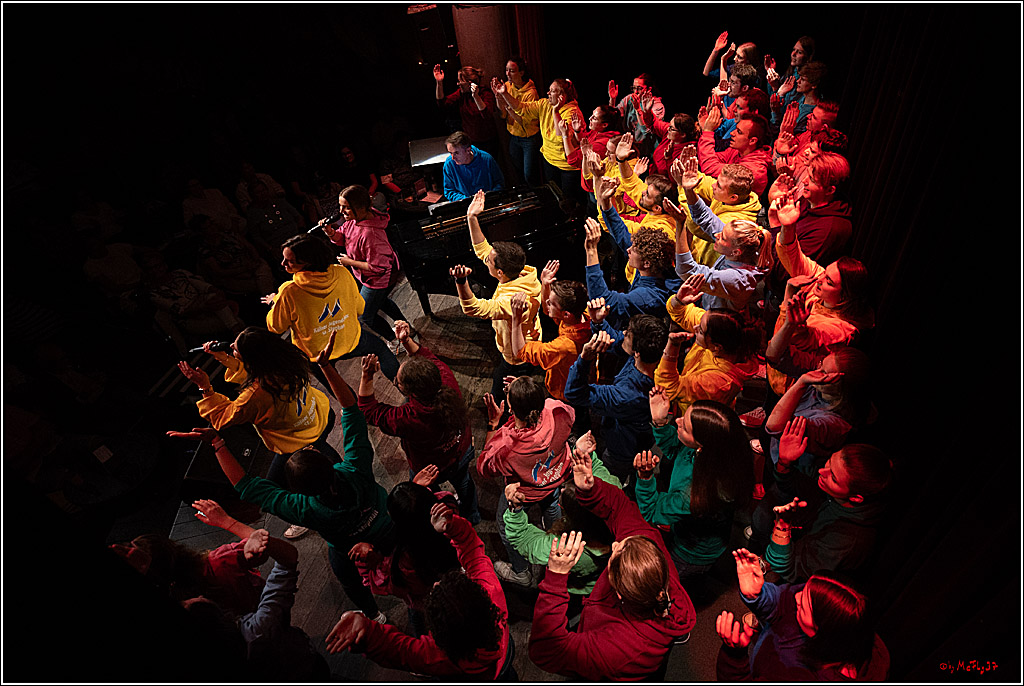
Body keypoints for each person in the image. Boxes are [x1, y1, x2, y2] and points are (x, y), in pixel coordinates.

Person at [168, 331, 396, 621]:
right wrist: (325, 366)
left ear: (300, 493)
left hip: (296, 440)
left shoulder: (306, 511)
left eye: (237, 347)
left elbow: (240, 465)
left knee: (346, 574)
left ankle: (373, 615)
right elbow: (351, 410)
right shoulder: (291, 361)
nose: (232, 347)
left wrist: (206, 394)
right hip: (317, 422)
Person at [527, 448, 695, 680]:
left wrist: (555, 578)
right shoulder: (647, 547)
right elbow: (621, 507)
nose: (615, 545)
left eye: (615, 554)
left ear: (619, 594)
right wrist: (591, 489)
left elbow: (545, 651)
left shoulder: (618, 648)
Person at [325, 500, 517, 680]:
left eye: (436, 590)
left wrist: (368, 633)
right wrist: (454, 527)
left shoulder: (440, 658)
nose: (435, 584)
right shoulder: (492, 595)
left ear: (440, 634)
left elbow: (401, 652)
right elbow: (474, 551)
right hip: (504, 664)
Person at [176, 328, 340, 534]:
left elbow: (222, 418)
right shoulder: (287, 358)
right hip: (319, 414)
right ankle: (333, 487)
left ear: (253, 360)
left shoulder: (255, 396)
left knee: (274, 487)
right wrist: (224, 357)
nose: (232, 346)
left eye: (236, 348)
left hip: (301, 437)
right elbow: (252, 372)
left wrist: (205, 388)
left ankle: (316, 511)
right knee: (302, 472)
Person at [356, 320, 480, 524]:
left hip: (429, 467)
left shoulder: (408, 418)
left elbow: (370, 411)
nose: (396, 382)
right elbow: (426, 356)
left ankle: (445, 514)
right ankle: (472, 516)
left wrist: (367, 376)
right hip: (461, 449)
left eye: (398, 382)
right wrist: (406, 341)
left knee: (429, 493)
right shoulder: (444, 378)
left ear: (411, 392)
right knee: (464, 482)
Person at [715, 549, 890, 680]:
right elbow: (783, 600)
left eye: (804, 607)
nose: (796, 597)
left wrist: (734, 656)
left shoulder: (794, 676)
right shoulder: (846, 627)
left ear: (819, 632)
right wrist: (756, 595)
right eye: (803, 590)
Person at [181, 529, 330, 682]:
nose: (195, 597)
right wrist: (229, 523)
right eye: (187, 603)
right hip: (305, 667)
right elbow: (286, 560)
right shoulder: (259, 628)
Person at [635, 394, 753, 586]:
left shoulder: (695, 493)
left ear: (702, 444)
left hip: (689, 555)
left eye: (686, 427)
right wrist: (660, 422)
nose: (678, 420)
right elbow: (676, 449)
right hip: (708, 539)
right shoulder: (724, 450)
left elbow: (651, 512)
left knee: (672, 585)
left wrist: (645, 478)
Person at [763, 421, 894, 583]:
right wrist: (784, 462)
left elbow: (790, 571)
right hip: (791, 548)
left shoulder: (848, 540)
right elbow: (794, 482)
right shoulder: (830, 482)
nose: (821, 472)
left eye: (833, 477)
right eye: (829, 462)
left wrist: (782, 526)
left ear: (855, 498)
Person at [477, 375, 575, 587]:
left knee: (505, 526)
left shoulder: (506, 444)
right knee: (552, 509)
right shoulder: (557, 410)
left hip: (524, 493)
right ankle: (555, 552)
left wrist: (493, 424)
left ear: (511, 409)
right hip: (555, 480)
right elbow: (570, 415)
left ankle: (521, 573)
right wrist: (526, 391)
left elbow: (484, 466)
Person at [264, 233, 399, 382]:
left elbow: (275, 327)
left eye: (290, 261)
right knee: (381, 349)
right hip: (350, 339)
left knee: (335, 383)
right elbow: (360, 308)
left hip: (319, 354)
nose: (283, 264)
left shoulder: (288, 291)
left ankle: (352, 405)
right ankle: (411, 391)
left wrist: (274, 302)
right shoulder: (341, 273)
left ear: (307, 262)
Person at [451, 190, 543, 402]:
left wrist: (461, 281)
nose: (486, 260)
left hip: (517, 356)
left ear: (500, 273)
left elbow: (473, 308)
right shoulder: (525, 272)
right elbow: (483, 250)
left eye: (490, 262)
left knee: (505, 389)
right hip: (530, 340)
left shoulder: (511, 301)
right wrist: (471, 217)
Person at [502, 431, 619, 596]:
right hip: (602, 584)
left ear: (569, 516)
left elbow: (523, 539)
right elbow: (600, 474)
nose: (561, 488)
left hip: (574, 589)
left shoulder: (566, 548)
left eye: (563, 495)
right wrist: (585, 457)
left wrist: (515, 509)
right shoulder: (615, 495)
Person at [112, 498, 266, 616]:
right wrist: (226, 522)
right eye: (130, 547)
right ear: (172, 548)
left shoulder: (185, 604)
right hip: (268, 605)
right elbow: (264, 546)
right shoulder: (220, 560)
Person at [564, 310, 668, 484]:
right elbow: (616, 340)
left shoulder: (626, 396)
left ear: (637, 353)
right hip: (641, 436)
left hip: (620, 449)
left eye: (628, 334)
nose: (624, 333)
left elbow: (574, 393)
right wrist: (598, 323)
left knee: (610, 478)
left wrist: (585, 358)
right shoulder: (657, 363)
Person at [347, 481, 462, 638]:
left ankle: (421, 635)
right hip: (455, 584)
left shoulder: (404, 561)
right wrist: (416, 492)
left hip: (423, 600)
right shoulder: (449, 517)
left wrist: (371, 561)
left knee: (420, 617)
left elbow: (382, 584)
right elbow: (427, 504)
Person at [669, 155, 772, 313]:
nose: (716, 235)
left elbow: (687, 270)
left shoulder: (737, 279)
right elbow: (706, 219)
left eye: (722, 237)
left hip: (719, 322)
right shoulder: (736, 238)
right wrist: (688, 190)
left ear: (735, 252)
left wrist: (680, 224)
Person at [319, 184, 408, 354]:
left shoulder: (370, 234)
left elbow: (378, 266)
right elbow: (342, 237)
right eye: (341, 206)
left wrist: (349, 262)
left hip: (381, 277)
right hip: (368, 277)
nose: (341, 211)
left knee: (365, 314)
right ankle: (406, 331)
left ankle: (397, 340)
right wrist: (330, 232)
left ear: (360, 207)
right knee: (382, 302)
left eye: (346, 207)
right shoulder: (354, 221)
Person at [659, 274, 761, 419]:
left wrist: (672, 349)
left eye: (700, 330)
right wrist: (679, 301)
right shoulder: (714, 327)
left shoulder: (719, 381)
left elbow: (669, 387)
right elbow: (681, 313)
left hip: (694, 424)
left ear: (717, 347)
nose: (695, 327)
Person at [491, 76, 585, 207]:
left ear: (561, 96)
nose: (548, 93)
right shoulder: (545, 104)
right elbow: (521, 108)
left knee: (568, 201)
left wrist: (555, 110)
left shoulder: (572, 112)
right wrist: (504, 93)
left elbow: (560, 136)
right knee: (554, 196)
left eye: (552, 91)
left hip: (567, 167)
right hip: (550, 160)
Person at [584, 201, 676, 328]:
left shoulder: (647, 297)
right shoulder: (652, 266)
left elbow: (601, 299)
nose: (628, 250)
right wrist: (606, 204)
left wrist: (591, 250)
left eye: (633, 249)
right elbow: (623, 235)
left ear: (647, 263)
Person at [667, 151, 763, 270]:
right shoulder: (727, 195)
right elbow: (705, 182)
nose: (713, 186)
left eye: (718, 185)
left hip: (711, 269)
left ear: (733, 197)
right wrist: (690, 173)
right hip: (700, 255)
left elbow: (697, 225)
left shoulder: (735, 223)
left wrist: (683, 188)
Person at [507, 268, 590, 404]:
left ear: (566, 314)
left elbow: (520, 351)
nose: (546, 303)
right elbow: (549, 311)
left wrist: (516, 319)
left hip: (566, 393)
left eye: (551, 303)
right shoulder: (584, 314)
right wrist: (545, 285)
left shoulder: (562, 347)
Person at [697, 110, 773, 197]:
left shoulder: (753, 170)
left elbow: (710, 167)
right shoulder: (737, 151)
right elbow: (708, 160)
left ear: (752, 141)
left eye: (739, 132)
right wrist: (704, 130)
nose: (732, 133)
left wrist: (707, 131)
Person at [493, 56, 542, 187]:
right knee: (518, 172)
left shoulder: (531, 92)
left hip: (529, 138)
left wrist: (506, 100)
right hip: (514, 136)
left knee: (529, 175)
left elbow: (522, 120)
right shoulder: (507, 86)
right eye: (506, 70)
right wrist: (498, 97)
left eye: (512, 71)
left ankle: (537, 199)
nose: (508, 74)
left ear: (521, 72)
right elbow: (502, 115)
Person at [434, 64, 500, 157]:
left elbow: (486, 114)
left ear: (469, 83)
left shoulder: (485, 93)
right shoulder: (462, 94)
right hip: (470, 142)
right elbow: (442, 103)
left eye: (460, 81)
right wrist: (439, 82)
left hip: (487, 141)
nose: (458, 84)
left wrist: (476, 96)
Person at [244, 178, 306, 263]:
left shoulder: (280, 202)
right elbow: (256, 236)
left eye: (263, 190)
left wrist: (302, 233)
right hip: (278, 245)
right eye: (258, 192)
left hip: (296, 237)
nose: (262, 194)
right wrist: (270, 249)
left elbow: (298, 217)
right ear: (252, 196)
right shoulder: (253, 213)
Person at [608, 72, 666, 159]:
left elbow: (646, 130)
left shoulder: (657, 106)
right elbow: (613, 117)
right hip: (629, 149)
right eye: (634, 88)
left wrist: (638, 109)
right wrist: (612, 99)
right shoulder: (629, 98)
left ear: (649, 89)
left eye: (639, 88)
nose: (635, 92)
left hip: (647, 151)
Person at [441, 130, 505, 202]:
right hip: (464, 204)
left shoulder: (487, 159)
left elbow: (499, 183)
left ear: (468, 150)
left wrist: (487, 197)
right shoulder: (449, 164)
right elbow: (449, 191)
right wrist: (467, 200)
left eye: (456, 153)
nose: (453, 158)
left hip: (488, 201)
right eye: (450, 153)